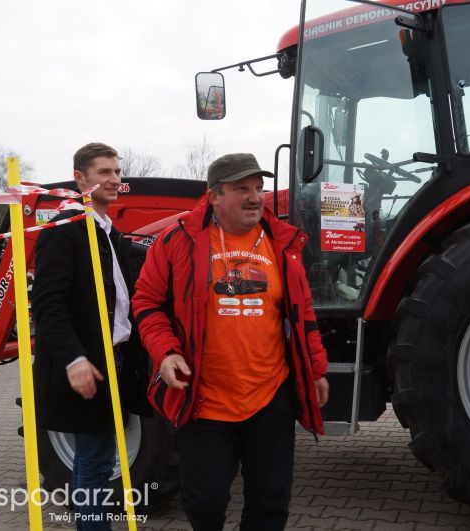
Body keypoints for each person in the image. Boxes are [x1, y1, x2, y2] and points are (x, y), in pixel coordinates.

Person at [132, 153, 329, 531]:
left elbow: (303, 315)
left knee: (271, 503)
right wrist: (166, 352)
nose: (255, 197)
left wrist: (316, 370)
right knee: (203, 503)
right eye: (242, 188)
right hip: (205, 401)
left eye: (259, 188)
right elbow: (147, 302)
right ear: (214, 196)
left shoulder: (282, 243)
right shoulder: (178, 240)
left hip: (270, 399)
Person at [32, 142, 149, 530]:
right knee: (95, 463)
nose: (116, 179)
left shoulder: (109, 232)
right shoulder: (63, 232)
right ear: (80, 178)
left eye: (117, 171)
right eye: (105, 172)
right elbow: (49, 306)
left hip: (113, 361)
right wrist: (74, 359)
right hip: (87, 364)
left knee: (97, 458)